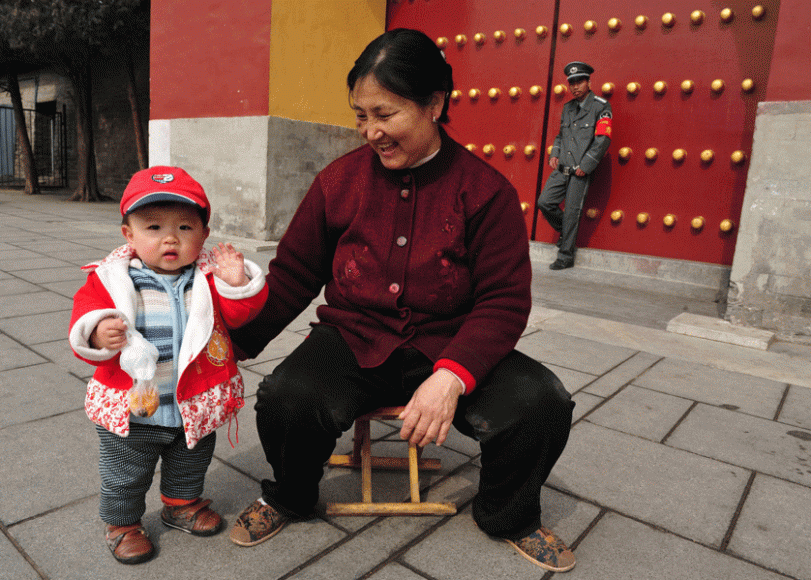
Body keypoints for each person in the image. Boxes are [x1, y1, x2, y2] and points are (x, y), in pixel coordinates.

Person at [228, 29, 577, 573]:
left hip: (452, 341)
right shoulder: (337, 182)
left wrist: (452, 375)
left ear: (435, 104)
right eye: (360, 115)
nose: (370, 132)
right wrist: (233, 340)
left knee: (541, 403)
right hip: (353, 337)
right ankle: (290, 496)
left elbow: (504, 301)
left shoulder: (485, 192)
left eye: (385, 114)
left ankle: (508, 515)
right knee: (286, 399)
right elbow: (294, 273)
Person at [68, 166, 268, 565]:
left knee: (190, 461)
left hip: (194, 403)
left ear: (204, 235)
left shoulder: (207, 280)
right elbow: (84, 315)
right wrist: (95, 334)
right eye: (154, 227)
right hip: (133, 410)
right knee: (125, 473)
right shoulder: (111, 279)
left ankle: (181, 505)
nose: (170, 238)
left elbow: (240, 314)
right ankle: (122, 524)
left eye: (185, 228)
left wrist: (235, 283)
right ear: (129, 234)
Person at [537, 61, 612, 270]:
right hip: (563, 168)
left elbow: (603, 139)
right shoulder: (568, 108)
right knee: (544, 202)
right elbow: (561, 136)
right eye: (572, 82)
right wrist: (555, 153)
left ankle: (565, 256)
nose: (575, 86)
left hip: (580, 171)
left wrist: (586, 165)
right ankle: (566, 231)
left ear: (589, 82)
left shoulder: (600, 106)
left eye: (579, 81)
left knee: (571, 212)